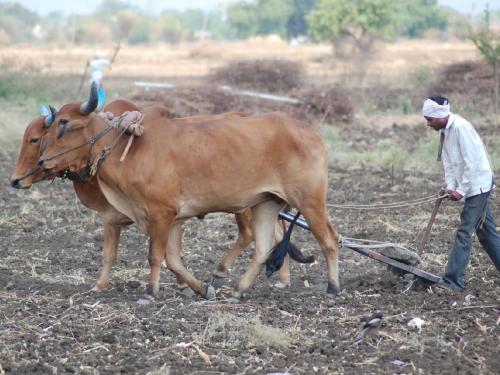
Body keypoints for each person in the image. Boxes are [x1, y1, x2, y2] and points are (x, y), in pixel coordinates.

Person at [422, 96, 500, 289]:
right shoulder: (445, 131)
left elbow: (473, 164)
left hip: (478, 185)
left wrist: (461, 190)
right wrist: (450, 186)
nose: (428, 123)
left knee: (464, 232)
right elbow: (449, 163)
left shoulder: (460, 128)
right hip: (472, 185)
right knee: (486, 232)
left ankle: (452, 281)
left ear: (440, 116)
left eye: (430, 119)